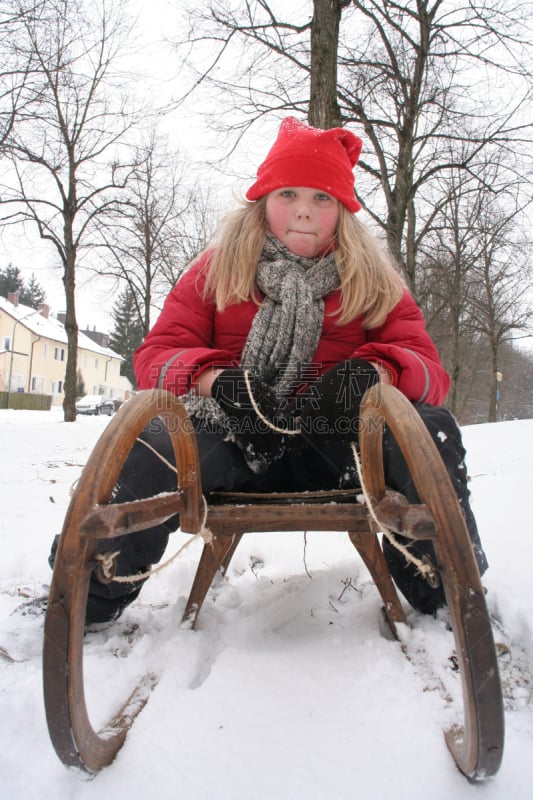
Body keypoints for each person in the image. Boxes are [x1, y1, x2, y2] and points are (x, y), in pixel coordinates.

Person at [51, 117, 487, 624]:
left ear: (343, 211)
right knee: (151, 441)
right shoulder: (216, 270)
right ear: (263, 200)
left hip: (341, 444)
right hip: (234, 436)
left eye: (323, 198)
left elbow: (429, 369)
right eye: (289, 193)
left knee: (429, 431)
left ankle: (447, 588)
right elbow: (156, 357)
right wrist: (220, 383)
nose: (304, 208)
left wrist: (371, 376)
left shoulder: (373, 278)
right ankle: (87, 594)